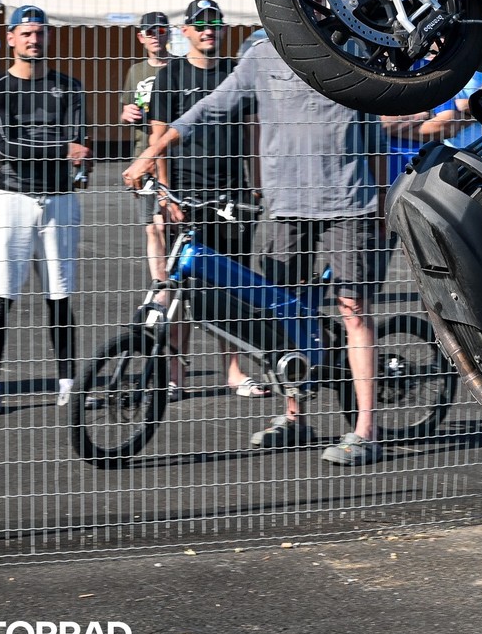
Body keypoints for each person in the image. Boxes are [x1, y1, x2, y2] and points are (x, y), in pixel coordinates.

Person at [125, 31, 386, 466]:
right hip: (287, 206)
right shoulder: (262, 56)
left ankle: (365, 431)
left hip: (347, 203)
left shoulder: (352, 53)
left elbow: (372, 132)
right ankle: (295, 418)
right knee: (285, 315)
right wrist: (152, 153)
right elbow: (209, 108)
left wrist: (379, 202)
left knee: (352, 310)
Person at [0, 4, 90, 415]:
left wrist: (69, 156)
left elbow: (80, 151)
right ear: (11, 38)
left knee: (59, 295)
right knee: (0, 294)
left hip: (60, 201)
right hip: (12, 201)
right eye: (25, 33)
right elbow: (6, 149)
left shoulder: (71, 89)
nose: (33, 40)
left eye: (39, 33)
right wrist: (61, 150)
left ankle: (68, 383)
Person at [146, 0, 258, 398]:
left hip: (232, 198)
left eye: (216, 23)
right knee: (181, 289)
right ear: (187, 31)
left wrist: (256, 187)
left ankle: (234, 371)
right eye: (201, 24)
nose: (209, 30)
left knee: (230, 289)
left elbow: (252, 133)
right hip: (187, 198)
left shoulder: (235, 73)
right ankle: (175, 373)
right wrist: (166, 195)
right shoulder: (171, 75)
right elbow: (158, 136)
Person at [118, 11, 171, 287]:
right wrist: (126, 113)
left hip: (172, 156)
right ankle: (158, 281)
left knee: (168, 223)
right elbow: (127, 108)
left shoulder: (178, 67)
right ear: (141, 38)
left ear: (169, 34)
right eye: (150, 32)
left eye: (161, 31)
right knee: (151, 226)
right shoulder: (136, 71)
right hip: (143, 155)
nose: (156, 37)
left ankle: (174, 277)